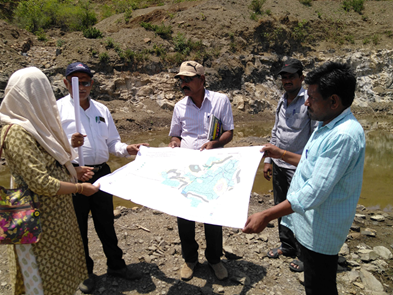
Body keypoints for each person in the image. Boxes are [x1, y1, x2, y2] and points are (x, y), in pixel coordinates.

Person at [243, 62, 366, 295]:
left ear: (333, 101)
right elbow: (311, 163)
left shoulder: (344, 136)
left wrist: (266, 215)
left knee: (319, 286)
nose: (306, 102)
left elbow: (314, 192)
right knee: (315, 283)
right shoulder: (326, 125)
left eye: (311, 97)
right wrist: (280, 154)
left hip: (322, 231)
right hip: (310, 225)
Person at [0, 66, 100, 295]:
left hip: (51, 215)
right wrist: (78, 187)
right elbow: (40, 182)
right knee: (37, 273)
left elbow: (52, 161)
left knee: (58, 270)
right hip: (32, 216)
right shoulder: (17, 131)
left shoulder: (36, 127)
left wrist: (73, 171)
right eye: (43, 93)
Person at [57, 62, 148, 293]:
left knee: (106, 222)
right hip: (74, 175)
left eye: (86, 82)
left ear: (92, 84)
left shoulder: (102, 110)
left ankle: (116, 265)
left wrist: (128, 149)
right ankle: (84, 272)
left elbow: (112, 143)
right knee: (78, 227)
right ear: (67, 83)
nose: (82, 87)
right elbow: (52, 148)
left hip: (102, 175)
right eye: (76, 82)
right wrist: (70, 145)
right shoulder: (57, 110)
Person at [168, 61, 234, 281]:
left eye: (188, 79)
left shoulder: (220, 100)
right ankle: (190, 259)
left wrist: (214, 144)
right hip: (186, 169)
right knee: (185, 215)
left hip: (213, 167)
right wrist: (175, 143)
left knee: (212, 214)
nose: (183, 83)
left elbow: (228, 132)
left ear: (202, 79)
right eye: (181, 79)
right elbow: (175, 135)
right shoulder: (179, 106)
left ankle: (214, 259)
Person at [264, 59, 316, 272]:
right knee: (280, 206)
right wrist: (268, 160)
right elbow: (276, 130)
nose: (287, 81)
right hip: (278, 163)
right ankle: (287, 246)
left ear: (301, 78)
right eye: (284, 77)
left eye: (291, 76)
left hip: (298, 166)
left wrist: (310, 165)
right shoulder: (281, 100)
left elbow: (314, 136)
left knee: (300, 210)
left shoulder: (309, 101)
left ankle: (304, 254)